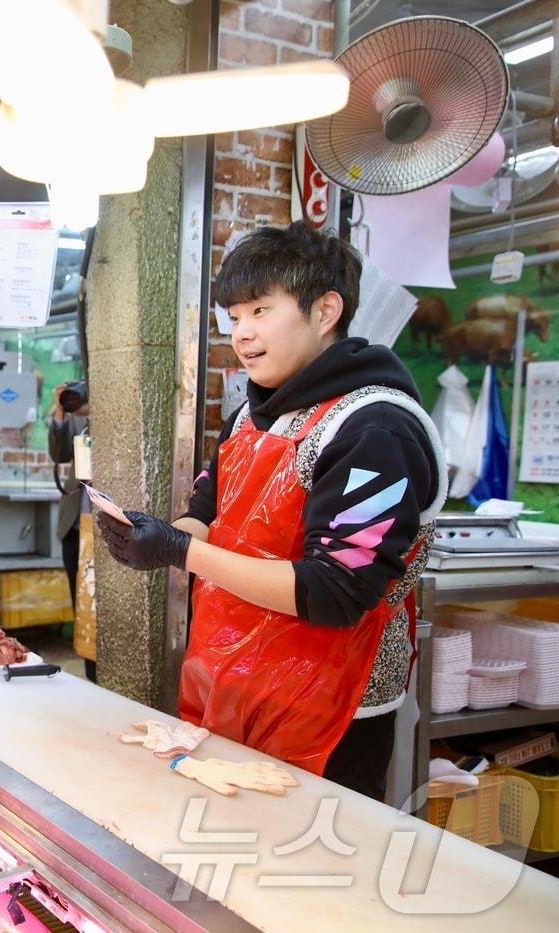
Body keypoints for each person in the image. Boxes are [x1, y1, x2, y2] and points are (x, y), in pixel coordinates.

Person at [96, 222, 445, 801]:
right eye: (234, 317)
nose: (243, 333)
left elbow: (333, 592)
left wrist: (181, 551)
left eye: (261, 310)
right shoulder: (252, 416)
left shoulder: (375, 427)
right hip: (235, 681)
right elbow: (207, 511)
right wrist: (153, 541)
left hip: (336, 705)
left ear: (326, 310)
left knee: (308, 870)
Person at [48, 380, 93, 682]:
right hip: (75, 524)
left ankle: (99, 673)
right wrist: (60, 413)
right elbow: (59, 455)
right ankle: (91, 672)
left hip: (100, 526)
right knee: (81, 604)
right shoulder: (80, 423)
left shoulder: (106, 418)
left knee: (95, 604)